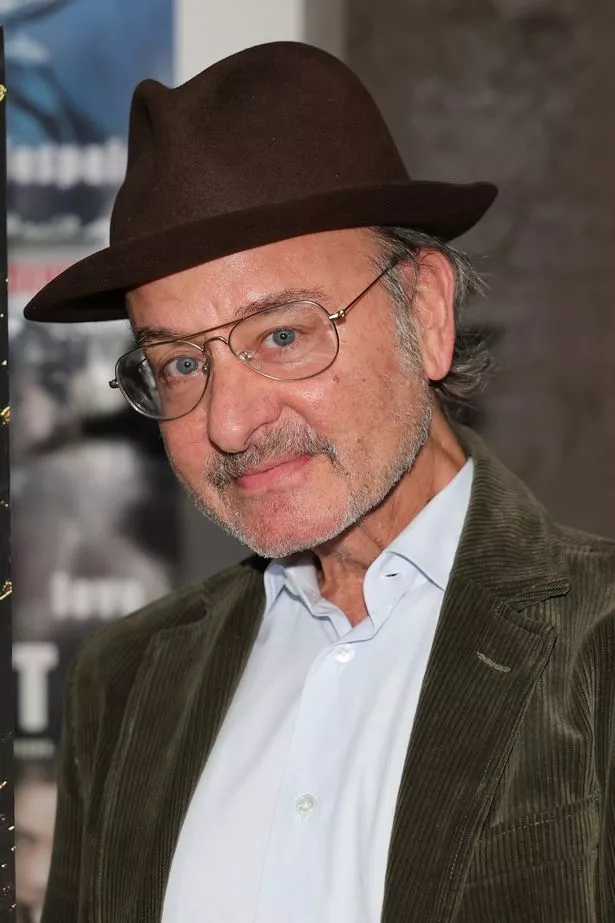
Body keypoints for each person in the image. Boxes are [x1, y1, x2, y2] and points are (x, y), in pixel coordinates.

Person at [24, 41, 614, 923]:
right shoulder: (123, 686)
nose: (229, 422)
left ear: (427, 311)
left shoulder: (595, 649)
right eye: (180, 363)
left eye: (283, 336)